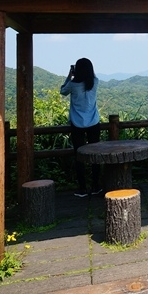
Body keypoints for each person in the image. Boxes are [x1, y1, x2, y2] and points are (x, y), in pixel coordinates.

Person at [60, 57, 102, 197]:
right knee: (96, 155)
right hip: (94, 123)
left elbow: (63, 91)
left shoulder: (73, 85)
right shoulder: (95, 82)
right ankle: (96, 186)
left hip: (77, 124)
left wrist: (69, 75)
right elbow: (91, 76)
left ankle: (82, 188)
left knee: (79, 155)